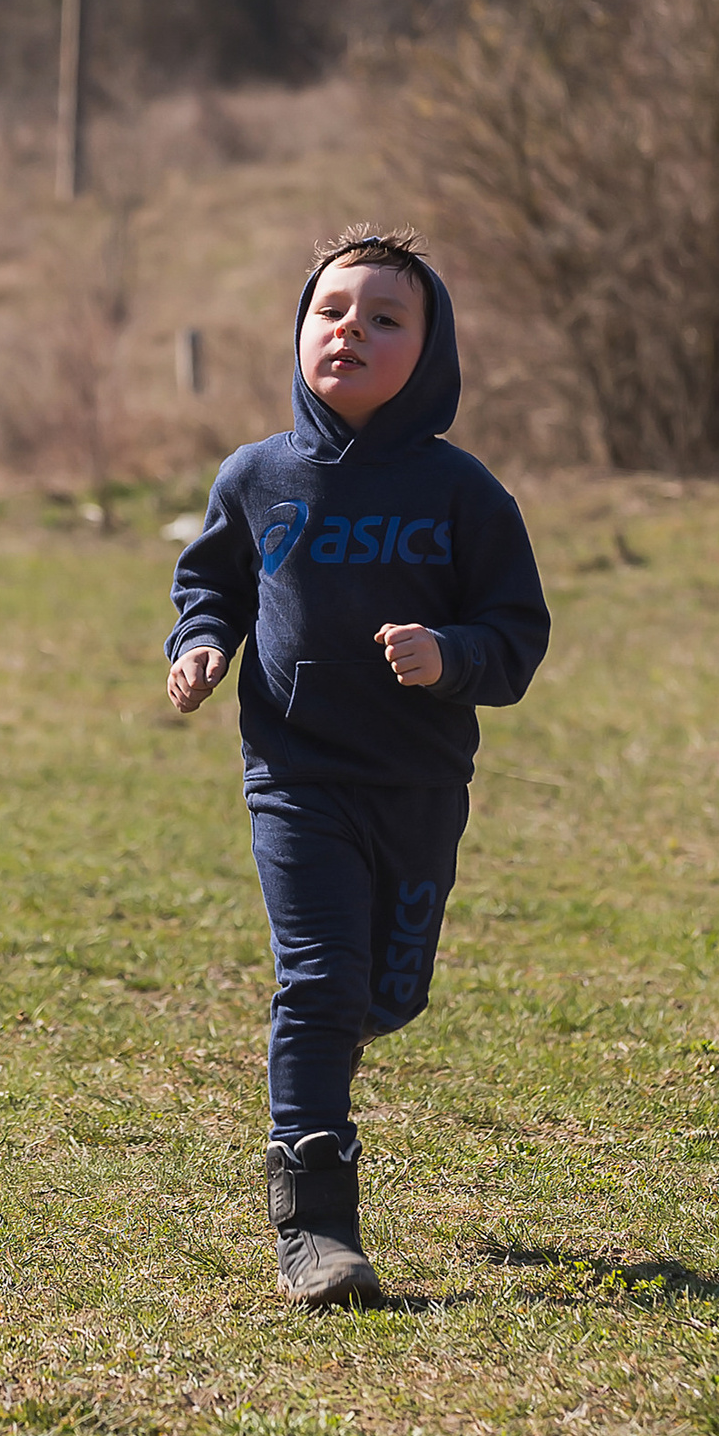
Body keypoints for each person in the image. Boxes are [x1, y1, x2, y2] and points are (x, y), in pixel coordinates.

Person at [166, 226, 549, 1308]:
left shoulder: (464, 494)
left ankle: (353, 1018)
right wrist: (201, 644)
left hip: (418, 785)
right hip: (295, 776)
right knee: (319, 979)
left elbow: (516, 637)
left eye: (386, 318)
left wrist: (450, 655)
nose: (352, 332)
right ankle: (316, 1224)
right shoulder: (256, 477)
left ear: (430, 351)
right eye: (331, 312)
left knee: (386, 991)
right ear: (300, 332)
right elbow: (211, 585)